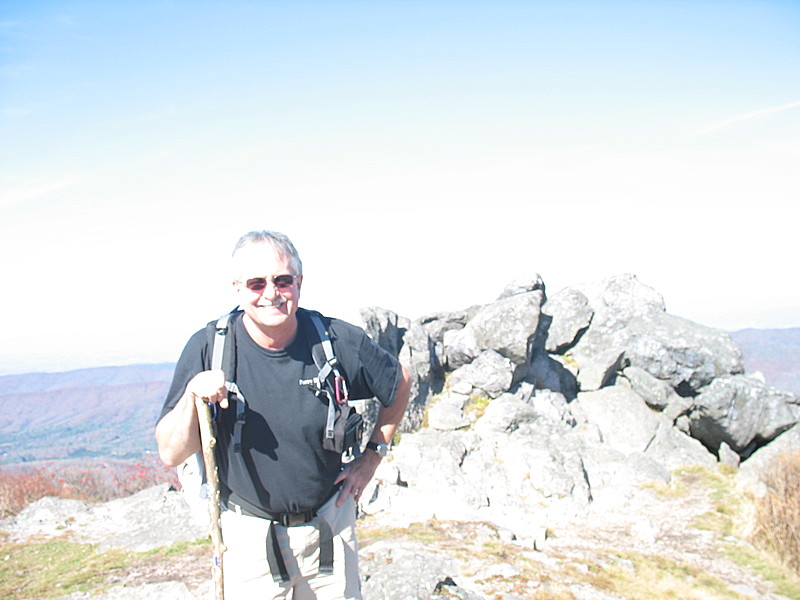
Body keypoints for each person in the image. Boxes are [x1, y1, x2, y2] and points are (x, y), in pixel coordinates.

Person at [156, 230, 411, 600]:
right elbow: (169, 452)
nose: (271, 293)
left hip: (330, 529)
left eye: (282, 280)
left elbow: (400, 380)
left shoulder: (334, 341)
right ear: (237, 289)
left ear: (299, 283)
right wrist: (193, 393)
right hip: (247, 541)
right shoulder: (210, 347)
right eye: (256, 283)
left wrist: (373, 456)